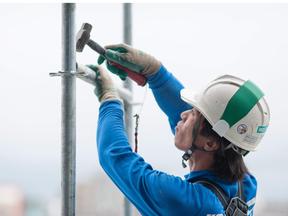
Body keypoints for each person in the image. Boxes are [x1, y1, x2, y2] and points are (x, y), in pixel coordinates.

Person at [86, 44, 270, 216]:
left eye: (194, 113)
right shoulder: (244, 186)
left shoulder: (187, 203)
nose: (183, 115)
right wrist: (155, 72)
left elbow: (115, 156)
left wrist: (109, 99)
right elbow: (196, 123)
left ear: (210, 143)